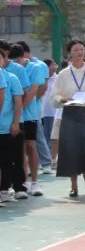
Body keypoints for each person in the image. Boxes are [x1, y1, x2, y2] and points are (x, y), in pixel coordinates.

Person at [51, 40, 85, 199]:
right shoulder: (63, 74)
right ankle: (74, 187)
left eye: (81, 49)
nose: (79, 52)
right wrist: (63, 99)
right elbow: (54, 96)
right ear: (70, 53)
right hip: (70, 114)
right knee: (70, 150)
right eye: (75, 50)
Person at [15, 42, 47, 197]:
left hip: (29, 115)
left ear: (23, 56)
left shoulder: (35, 67)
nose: (15, 63)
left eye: (17, 60)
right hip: (15, 116)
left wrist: (20, 108)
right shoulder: (10, 68)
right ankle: (25, 180)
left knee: (30, 145)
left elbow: (34, 90)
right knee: (19, 149)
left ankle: (35, 182)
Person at [0, 44, 24, 205]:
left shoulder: (11, 77)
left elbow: (18, 102)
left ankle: (4, 190)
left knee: (6, 161)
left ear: (5, 59)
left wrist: (15, 122)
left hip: (5, 127)